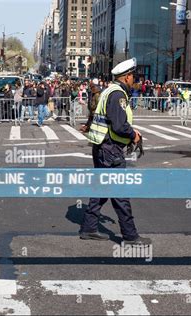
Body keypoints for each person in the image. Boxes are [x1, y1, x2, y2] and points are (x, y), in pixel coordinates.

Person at [79, 58, 151, 245]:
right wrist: (133, 134)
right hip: (110, 150)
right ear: (126, 77)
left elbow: (99, 115)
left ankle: (89, 227)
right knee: (119, 191)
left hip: (103, 147)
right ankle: (130, 235)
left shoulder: (109, 91)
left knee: (102, 188)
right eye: (133, 76)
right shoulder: (117, 94)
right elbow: (119, 125)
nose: (135, 79)